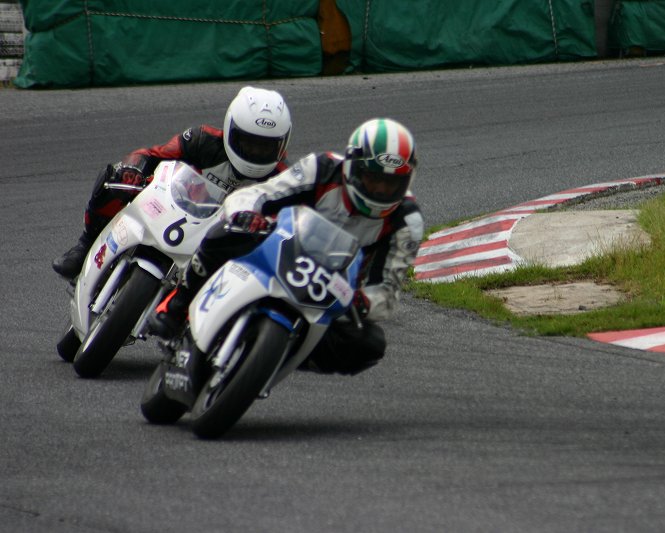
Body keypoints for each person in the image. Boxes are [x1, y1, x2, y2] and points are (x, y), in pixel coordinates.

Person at [148, 118, 424, 376]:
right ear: (353, 167)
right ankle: (177, 305)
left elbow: (387, 292)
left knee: (369, 343)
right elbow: (259, 194)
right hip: (278, 247)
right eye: (373, 178)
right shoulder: (322, 168)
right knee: (225, 232)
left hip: (331, 290)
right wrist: (247, 214)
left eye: (391, 183)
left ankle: (282, 355)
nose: (380, 189)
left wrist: (364, 301)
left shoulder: (407, 221)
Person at [52, 86, 293, 280]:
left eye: (265, 146)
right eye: (248, 142)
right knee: (115, 178)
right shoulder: (202, 140)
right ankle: (85, 245)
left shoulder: (285, 180)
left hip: (222, 248)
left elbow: (292, 225)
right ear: (230, 130)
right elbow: (151, 154)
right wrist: (133, 168)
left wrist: (269, 227)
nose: (255, 152)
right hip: (176, 210)